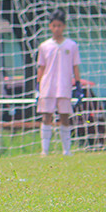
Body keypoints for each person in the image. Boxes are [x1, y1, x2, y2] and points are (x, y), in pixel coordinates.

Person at [36, 9, 81, 156]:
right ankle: (45, 151)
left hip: (64, 85)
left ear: (64, 26)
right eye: (54, 25)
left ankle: (66, 150)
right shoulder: (44, 45)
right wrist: (38, 86)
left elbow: (75, 66)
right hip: (47, 86)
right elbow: (41, 67)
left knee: (64, 116)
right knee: (46, 116)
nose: (57, 29)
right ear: (50, 26)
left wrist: (78, 84)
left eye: (60, 25)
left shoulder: (71, 45)